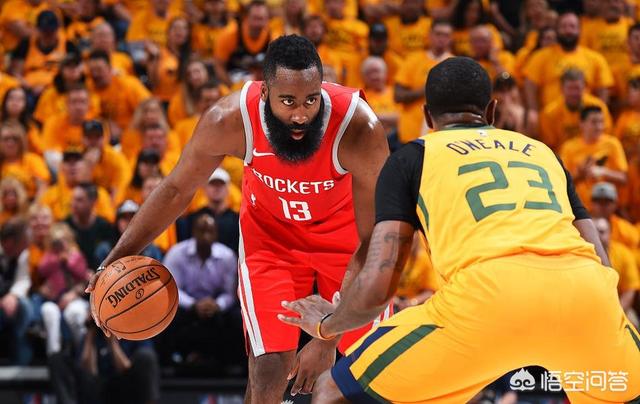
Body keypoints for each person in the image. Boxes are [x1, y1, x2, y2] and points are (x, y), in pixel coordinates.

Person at [279, 57, 640, 403]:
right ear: (492, 112)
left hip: (487, 299)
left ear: (427, 117)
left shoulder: (413, 157)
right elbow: (602, 260)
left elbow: (379, 285)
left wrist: (327, 325)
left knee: (334, 390)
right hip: (587, 296)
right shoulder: (543, 153)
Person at [87, 35, 390, 402]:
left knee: (368, 369)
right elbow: (176, 189)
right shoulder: (228, 120)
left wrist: (328, 337)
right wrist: (117, 257)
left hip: (347, 245)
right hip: (272, 242)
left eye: (311, 100)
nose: (300, 114)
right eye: (288, 101)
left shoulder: (358, 128)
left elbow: (374, 238)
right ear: (265, 94)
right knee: (268, 369)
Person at [161, 213, 243, 372]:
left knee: (237, 317)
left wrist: (217, 305)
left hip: (215, 309)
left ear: (216, 234)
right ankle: (167, 364)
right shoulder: (176, 253)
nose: (205, 235)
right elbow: (171, 289)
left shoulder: (227, 256)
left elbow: (230, 293)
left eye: (210, 231)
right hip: (185, 307)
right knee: (165, 312)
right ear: (193, 232)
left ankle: (232, 364)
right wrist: (193, 304)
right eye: (201, 230)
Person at [0, 218, 33, 365]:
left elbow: (23, 280)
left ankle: (20, 364)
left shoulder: (23, 255)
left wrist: (12, 295)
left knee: (24, 305)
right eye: (23, 241)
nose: (26, 245)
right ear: (9, 242)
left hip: (12, 305)